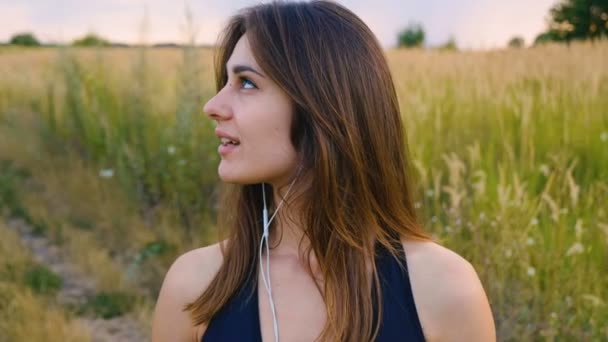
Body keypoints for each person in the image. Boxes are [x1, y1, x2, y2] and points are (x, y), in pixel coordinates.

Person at [152, 1, 496, 341]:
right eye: (226, 81)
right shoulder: (195, 287)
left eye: (246, 83)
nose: (212, 106)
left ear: (321, 105)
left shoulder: (445, 291)